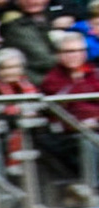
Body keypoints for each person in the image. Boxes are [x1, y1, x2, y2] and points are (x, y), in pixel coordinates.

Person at [41, 29, 99, 196]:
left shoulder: (95, 74)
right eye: (69, 51)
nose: (75, 55)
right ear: (59, 54)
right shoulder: (53, 80)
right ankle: (94, 192)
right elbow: (63, 112)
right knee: (90, 140)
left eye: (79, 50)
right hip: (72, 133)